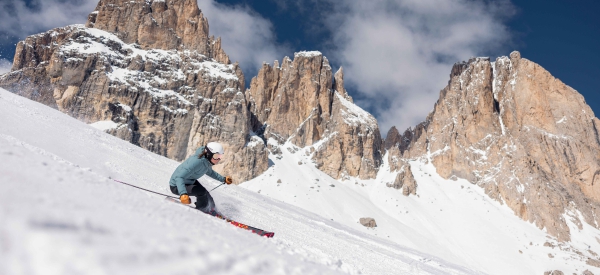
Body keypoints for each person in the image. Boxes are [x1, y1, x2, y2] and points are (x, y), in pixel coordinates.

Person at [169, 142, 233, 214]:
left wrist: (223, 179)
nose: (218, 159)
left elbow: (210, 172)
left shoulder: (206, 162)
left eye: (220, 156)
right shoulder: (196, 162)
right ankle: (203, 210)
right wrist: (183, 193)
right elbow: (179, 177)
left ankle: (211, 209)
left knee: (207, 195)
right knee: (201, 192)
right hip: (177, 186)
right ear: (209, 154)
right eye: (216, 156)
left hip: (189, 181)